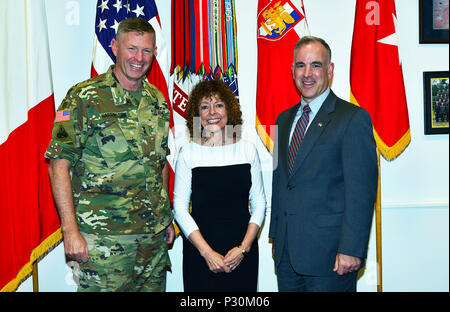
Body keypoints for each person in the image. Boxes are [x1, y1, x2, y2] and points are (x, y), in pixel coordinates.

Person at [45, 17, 174, 292]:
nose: (139, 58)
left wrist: (166, 218)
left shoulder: (158, 100)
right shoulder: (83, 97)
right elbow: (58, 165)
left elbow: (160, 161)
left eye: (147, 50)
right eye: (131, 48)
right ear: (114, 46)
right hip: (103, 242)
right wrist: (70, 231)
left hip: (152, 241)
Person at [269, 36, 378, 292]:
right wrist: (277, 234)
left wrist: (351, 249)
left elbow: (361, 193)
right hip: (287, 256)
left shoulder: (352, 118)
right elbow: (280, 181)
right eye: (300, 65)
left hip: (331, 258)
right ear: (292, 70)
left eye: (316, 65)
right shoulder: (282, 120)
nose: (307, 73)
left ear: (329, 70)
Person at [173, 80, 266, 292]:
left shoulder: (247, 150)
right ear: (197, 114)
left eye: (219, 105)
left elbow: (259, 203)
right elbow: (179, 208)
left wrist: (243, 249)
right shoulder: (188, 153)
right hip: (200, 252)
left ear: (229, 109)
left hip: (241, 251)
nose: (212, 112)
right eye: (205, 106)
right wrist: (207, 253)